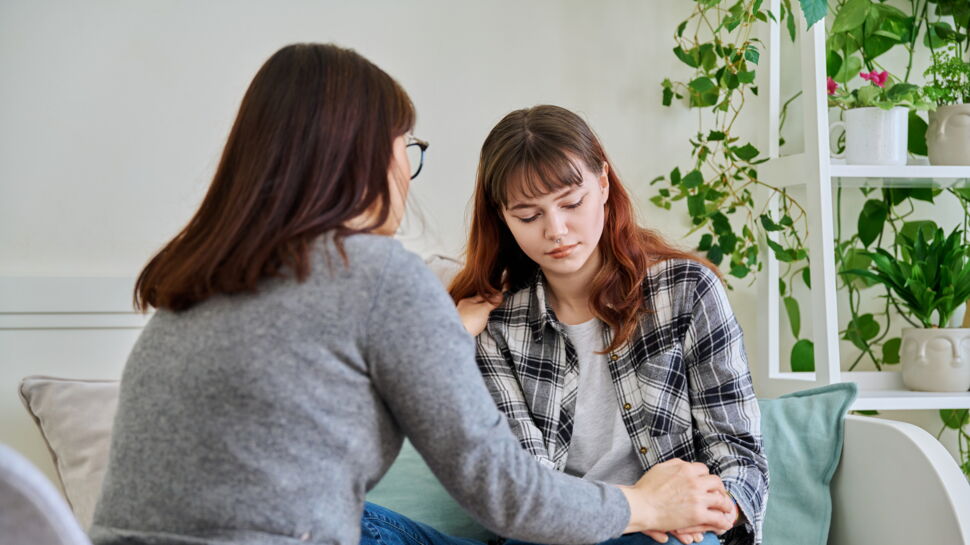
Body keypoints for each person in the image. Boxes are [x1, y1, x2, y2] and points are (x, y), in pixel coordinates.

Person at [89, 45, 736, 545]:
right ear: (364, 156)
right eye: (407, 147)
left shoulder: (194, 284)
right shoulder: (375, 273)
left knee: (360, 518)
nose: (408, 168)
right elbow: (505, 490)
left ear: (602, 185)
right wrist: (646, 503)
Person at [446, 105, 768, 545]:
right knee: (357, 520)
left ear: (602, 183)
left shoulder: (687, 290)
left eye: (571, 203)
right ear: (503, 217)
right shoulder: (495, 325)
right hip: (552, 539)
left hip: (671, 539)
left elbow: (740, 455)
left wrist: (707, 510)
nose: (556, 230)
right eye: (528, 215)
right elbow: (528, 495)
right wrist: (641, 506)